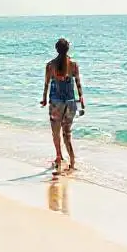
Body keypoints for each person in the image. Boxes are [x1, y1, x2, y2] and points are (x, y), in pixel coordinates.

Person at [40, 37, 85, 170]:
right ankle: (72, 162)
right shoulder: (74, 65)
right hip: (70, 102)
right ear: (68, 49)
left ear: (56, 49)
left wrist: (44, 99)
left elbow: (47, 84)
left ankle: (59, 157)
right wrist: (81, 97)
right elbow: (78, 83)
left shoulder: (50, 65)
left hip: (56, 103)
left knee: (56, 133)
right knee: (67, 133)